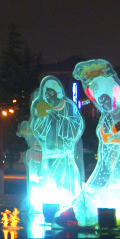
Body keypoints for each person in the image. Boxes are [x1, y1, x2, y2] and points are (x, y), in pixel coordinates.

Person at [61, 59, 120, 229]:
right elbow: (107, 134)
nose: (102, 103)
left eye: (104, 98)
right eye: (99, 100)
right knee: (103, 185)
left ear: (113, 94)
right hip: (109, 160)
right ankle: (92, 213)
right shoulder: (107, 117)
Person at [30, 75, 84, 211]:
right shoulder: (44, 109)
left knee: (67, 183)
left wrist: (59, 119)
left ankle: (69, 209)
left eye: (51, 93)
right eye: (46, 94)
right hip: (50, 155)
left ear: (57, 92)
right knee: (50, 183)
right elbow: (38, 129)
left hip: (66, 155)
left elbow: (76, 127)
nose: (49, 97)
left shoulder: (69, 107)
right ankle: (52, 209)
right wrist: (44, 119)